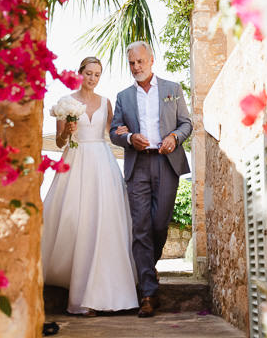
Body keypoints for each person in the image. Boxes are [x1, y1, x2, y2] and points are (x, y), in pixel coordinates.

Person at [41, 56, 138, 316]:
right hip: (76, 160)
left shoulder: (106, 103)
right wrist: (67, 130)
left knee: (105, 222)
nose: (93, 78)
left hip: (102, 163)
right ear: (80, 73)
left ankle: (109, 290)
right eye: (89, 73)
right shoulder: (67, 102)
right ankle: (81, 295)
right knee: (78, 221)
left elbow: (113, 133)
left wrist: (129, 133)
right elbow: (60, 142)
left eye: (97, 74)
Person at [109, 41, 192, 318]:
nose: (136, 67)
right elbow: (114, 132)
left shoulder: (173, 89)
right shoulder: (123, 96)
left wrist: (174, 137)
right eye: (132, 63)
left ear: (151, 60)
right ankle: (148, 292)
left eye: (141, 61)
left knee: (159, 224)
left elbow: (186, 124)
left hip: (167, 162)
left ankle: (148, 268)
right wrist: (130, 138)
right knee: (141, 227)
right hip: (138, 165)